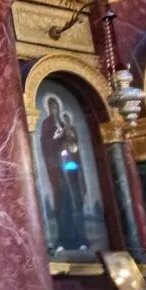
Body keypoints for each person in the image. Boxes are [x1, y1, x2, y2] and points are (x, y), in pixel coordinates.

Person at [40, 97, 89, 252]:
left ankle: (80, 239)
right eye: (52, 107)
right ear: (48, 108)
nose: (54, 110)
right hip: (58, 168)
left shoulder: (64, 124)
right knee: (63, 201)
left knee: (76, 201)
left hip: (70, 168)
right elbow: (44, 142)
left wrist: (68, 138)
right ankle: (63, 239)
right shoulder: (47, 123)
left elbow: (73, 144)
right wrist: (54, 138)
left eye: (56, 107)